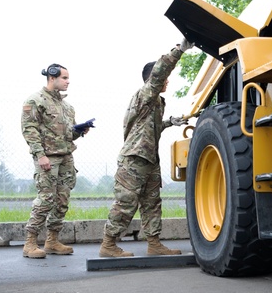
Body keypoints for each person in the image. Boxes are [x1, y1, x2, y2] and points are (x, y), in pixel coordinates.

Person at [99, 38, 192, 257]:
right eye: (164, 79)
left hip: (149, 159)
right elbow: (160, 70)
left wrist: (171, 121)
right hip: (134, 159)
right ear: (154, 79)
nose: (167, 82)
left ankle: (154, 244)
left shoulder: (156, 102)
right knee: (126, 202)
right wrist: (180, 50)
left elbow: (151, 128)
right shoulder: (145, 94)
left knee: (152, 203)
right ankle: (108, 244)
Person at [20, 63, 93, 258]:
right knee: (46, 199)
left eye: (68, 78)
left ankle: (52, 240)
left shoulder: (67, 107)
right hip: (47, 158)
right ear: (52, 77)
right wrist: (40, 154)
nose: (68, 82)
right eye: (64, 78)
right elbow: (29, 129)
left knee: (62, 200)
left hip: (66, 157)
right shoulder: (35, 100)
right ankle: (30, 242)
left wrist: (79, 131)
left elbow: (68, 135)